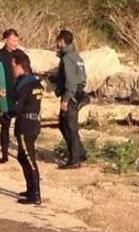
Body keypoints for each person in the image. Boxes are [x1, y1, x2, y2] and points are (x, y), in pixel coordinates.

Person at [0, 29, 28, 164]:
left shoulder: (21, 54)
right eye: (13, 40)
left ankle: (22, 153)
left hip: (20, 93)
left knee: (22, 125)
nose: (16, 43)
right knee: (5, 124)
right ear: (5, 40)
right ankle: (4, 155)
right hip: (6, 94)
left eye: (17, 40)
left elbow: (28, 71)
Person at [8, 51, 44, 205]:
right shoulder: (36, 84)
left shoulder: (24, 86)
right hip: (33, 123)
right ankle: (30, 189)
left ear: (20, 66)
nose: (12, 70)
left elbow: (18, 107)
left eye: (13, 66)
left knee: (29, 159)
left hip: (25, 125)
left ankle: (35, 195)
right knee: (22, 157)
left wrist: (4, 116)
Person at [53, 30, 88, 169]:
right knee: (64, 125)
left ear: (61, 41)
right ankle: (80, 152)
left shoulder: (67, 58)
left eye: (57, 41)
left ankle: (74, 160)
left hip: (71, 96)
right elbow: (80, 76)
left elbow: (71, 82)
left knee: (69, 127)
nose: (56, 43)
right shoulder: (76, 56)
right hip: (77, 93)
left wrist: (65, 99)